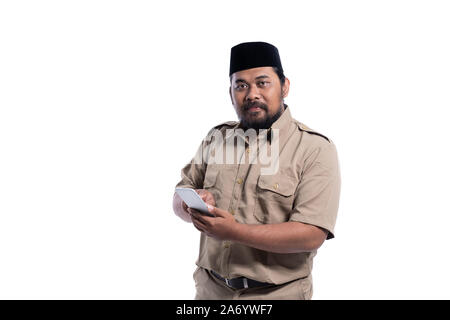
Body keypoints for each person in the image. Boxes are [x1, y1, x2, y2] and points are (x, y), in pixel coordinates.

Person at [172, 41, 341, 300]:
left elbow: (311, 234)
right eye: (241, 85)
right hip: (211, 290)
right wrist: (190, 205)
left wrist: (234, 231)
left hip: (276, 294)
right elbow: (181, 191)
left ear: (284, 86)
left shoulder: (314, 148)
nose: (251, 94)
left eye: (262, 83)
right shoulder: (217, 138)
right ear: (230, 93)